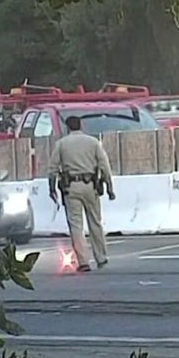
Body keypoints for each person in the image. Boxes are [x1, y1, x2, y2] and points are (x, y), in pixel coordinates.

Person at [49, 116, 116, 272]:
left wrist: (52, 189)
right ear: (81, 126)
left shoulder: (61, 144)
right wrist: (110, 188)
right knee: (96, 222)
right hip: (91, 186)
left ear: (67, 128)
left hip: (71, 187)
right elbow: (104, 166)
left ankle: (83, 262)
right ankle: (101, 257)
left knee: (76, 226)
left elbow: (52, 170)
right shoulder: (93, 142)